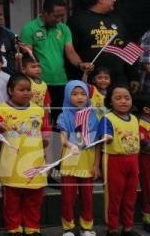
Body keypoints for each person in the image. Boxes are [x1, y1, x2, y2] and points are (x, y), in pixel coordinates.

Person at [0, 73, 49, 236]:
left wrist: (45, 142)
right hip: (11, 163)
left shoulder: (39, 110)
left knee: (34, 197)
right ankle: (14, 227)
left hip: (34, 161)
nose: (26, 93)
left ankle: (32, 227)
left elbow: (45, 132)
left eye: (28, 90)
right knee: (12, 199)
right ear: (10, 90)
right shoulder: (1, 110)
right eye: (21, 89)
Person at [21, 0, 92, 117]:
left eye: (62, 16)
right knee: (40, 118)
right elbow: (29, 57)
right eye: (56, 16)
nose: (59, 19)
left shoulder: (64, 29)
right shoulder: (29, 28)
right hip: (38, 83)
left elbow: (70, 52)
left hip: (61, 81)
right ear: (45, 12)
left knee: (59, 119)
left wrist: (81, 64)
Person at [68, 0, 139, 90]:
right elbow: (71, 51)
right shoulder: (77, 20)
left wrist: (133, 76)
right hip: (90, 80)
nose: (114, 0)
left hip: (117, 80)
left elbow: (126, 47)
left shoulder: (117, 20)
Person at [95, 84, 140, 236]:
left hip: (133, 161)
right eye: (118, 98)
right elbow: (103, 135)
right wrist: (105, 137)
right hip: (114, 161)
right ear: (110, 101)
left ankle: (128, 227)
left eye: (127, 98)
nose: (123, 101)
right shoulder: (107, 118)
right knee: (114, 197)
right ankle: (112, 228)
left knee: (130, 196)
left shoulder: (134, 119)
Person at [56, 80, 98, 236]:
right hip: (69, 162)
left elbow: (98, 144)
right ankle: (68, 228)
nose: (79, 97)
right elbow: (62, 138)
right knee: (68, 198)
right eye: (74, 94)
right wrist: (69, 145)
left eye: (83, 94)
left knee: (87, 198)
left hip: (88, 163)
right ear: (67, 96)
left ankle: (87, 227)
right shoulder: (64, 115)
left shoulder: (94, 115)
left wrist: (97, 165)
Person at [22, 56, 50, 127]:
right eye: (33, 67)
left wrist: (46, 117)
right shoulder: (24, 82)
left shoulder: (44, 84)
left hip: (40, 115)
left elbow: (46, 103)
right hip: (26, 115)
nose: (37, 69)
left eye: (38, 66)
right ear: (24, 69)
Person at [137, 93, 150, 232]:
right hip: (147, 162)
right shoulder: (142, 122)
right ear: (146, 109)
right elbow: (144, 144)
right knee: (148, 190)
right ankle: (148, 220)